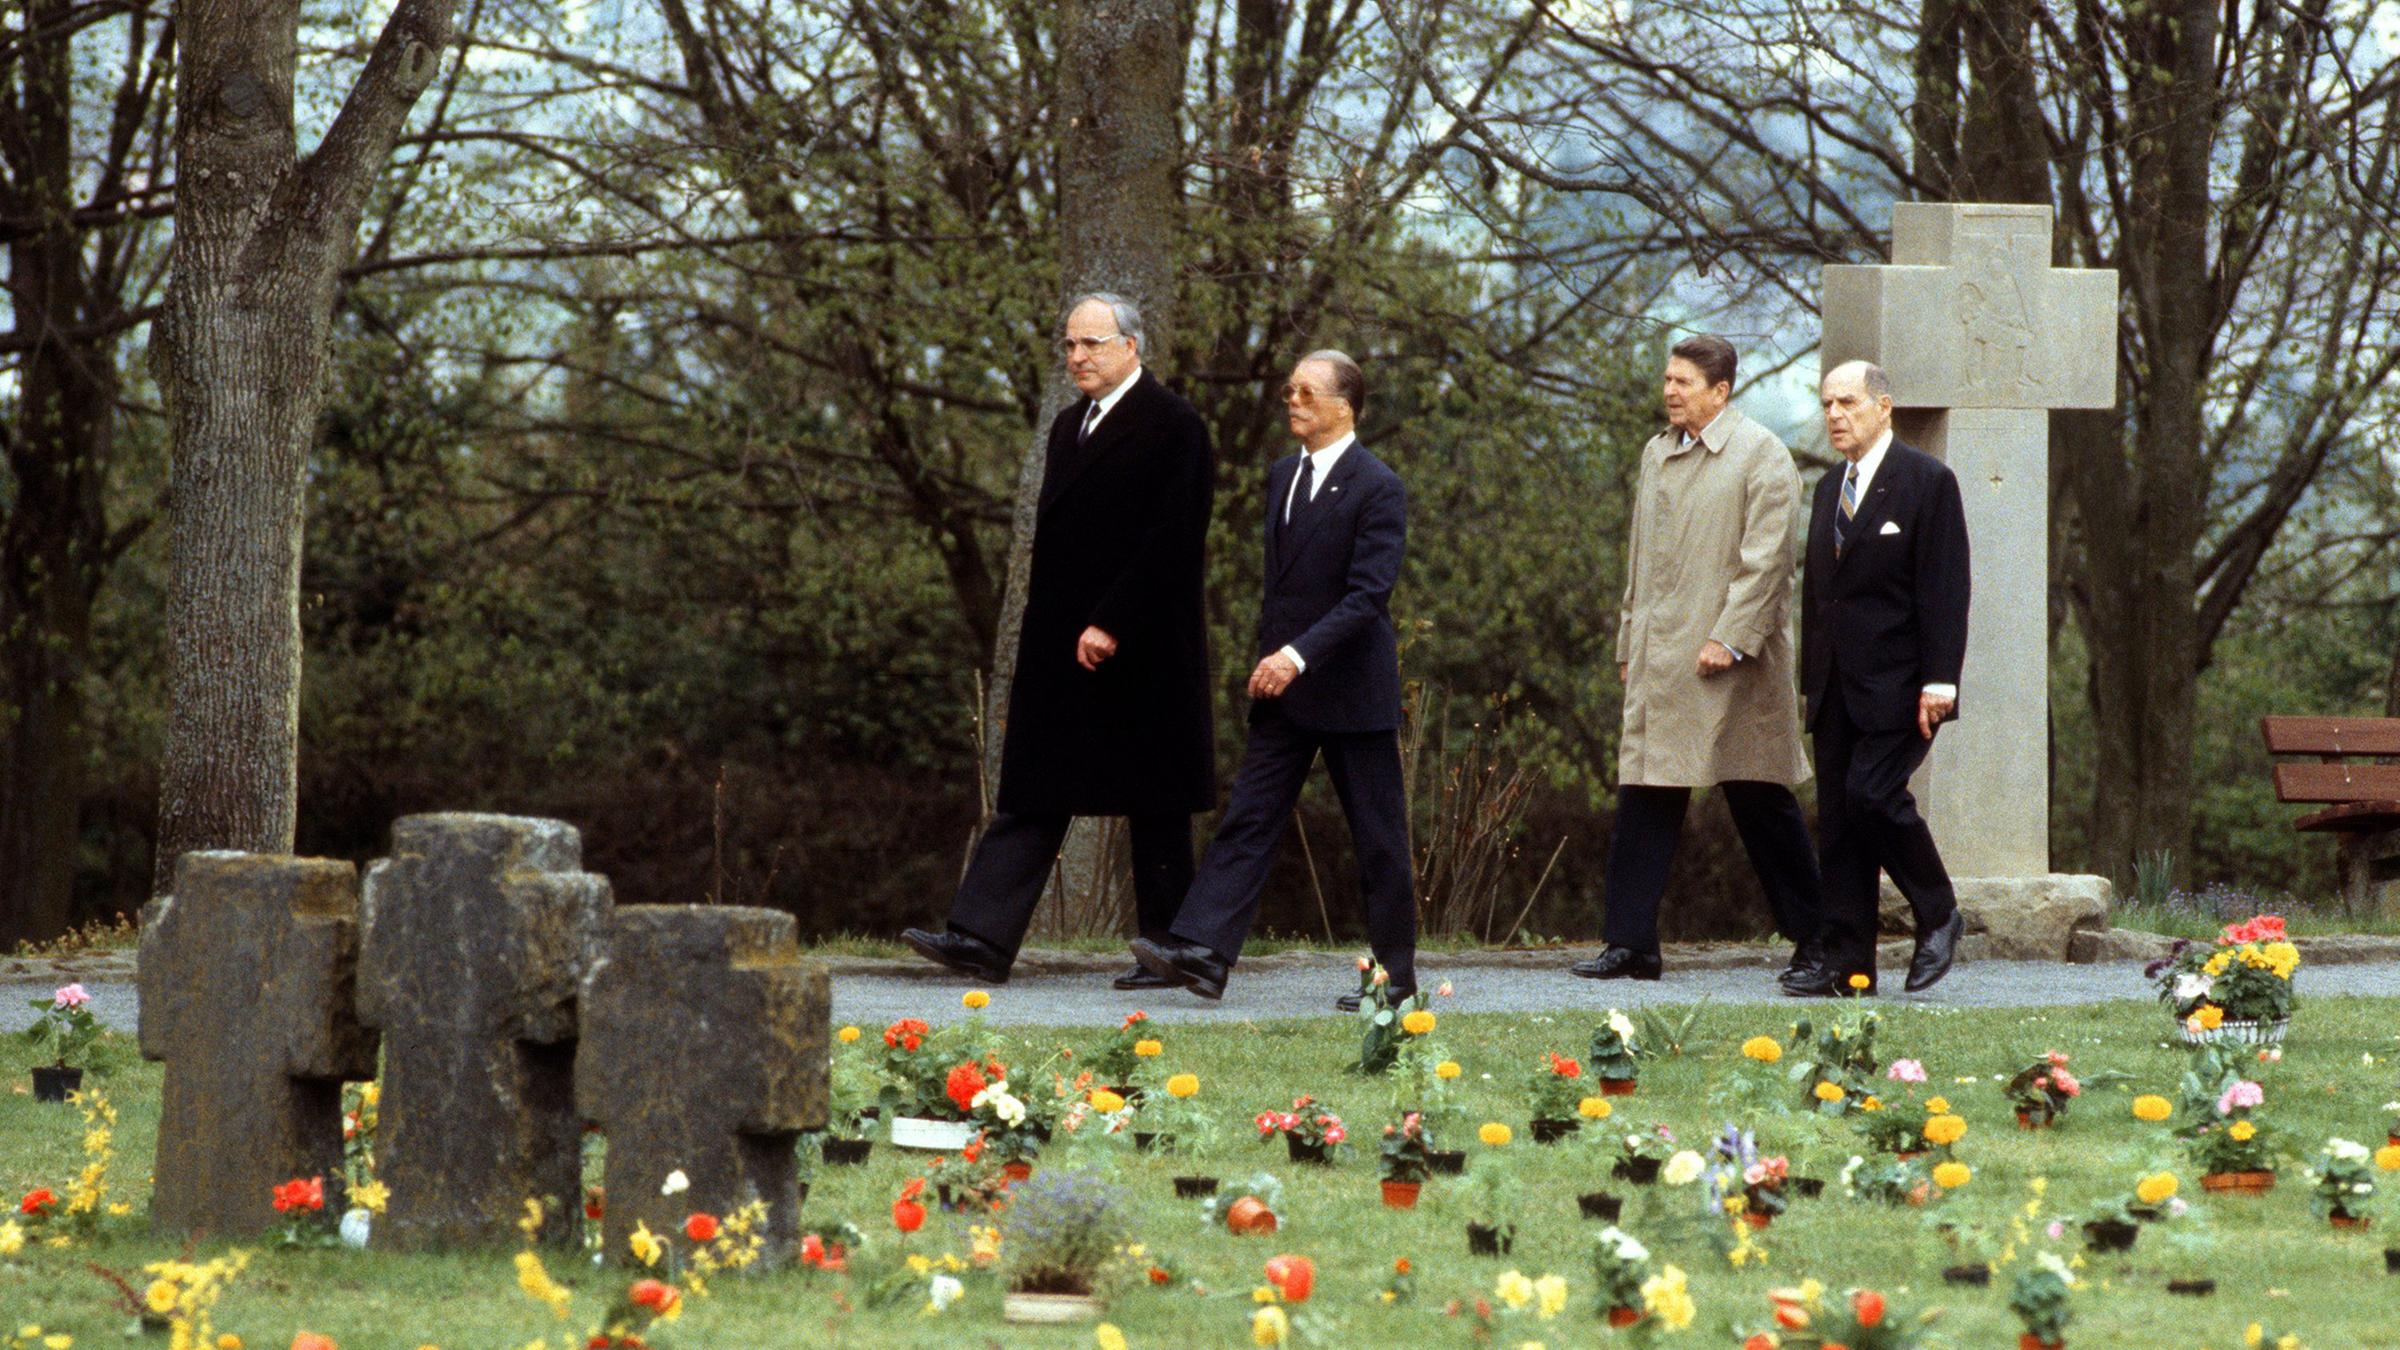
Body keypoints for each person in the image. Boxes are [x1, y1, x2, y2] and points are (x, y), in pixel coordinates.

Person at [902, 293, 1215, 988]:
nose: (1076, 357)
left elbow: (1174, 539)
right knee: (1037, 784)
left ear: (1132, 346)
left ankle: (1173, 949)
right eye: (1070, 345)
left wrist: (1113, 620)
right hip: (1064, 641)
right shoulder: (1070, 424)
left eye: (1091, 344)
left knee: (1155, 797)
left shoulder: (1175, 425)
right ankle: (980, 935)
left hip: (1143, 642)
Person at [1130, 350, 1415, 1009]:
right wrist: (1273, 660)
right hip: (1284, 689)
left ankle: (1394, 979)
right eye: (1290, 391)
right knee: (1249, 819)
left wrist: (1295, 656)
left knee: (1378, 838)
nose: (1292, 401)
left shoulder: (1379, 486)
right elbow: (1282, 588)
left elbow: (1367, 596)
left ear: (1343, 407)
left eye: (1307, 394)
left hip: (1348, 687)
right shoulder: (1283, 474)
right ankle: (1203, 951)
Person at [1572, 335, 1827, 992]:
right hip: (1663, 660)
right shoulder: (1657, 454)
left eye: (1684, 381)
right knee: (1644, 795)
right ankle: (1630, 945)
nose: (1670, 391)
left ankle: (1820, 944)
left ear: (1722, 391)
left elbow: (1768, 564)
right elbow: (1641, 563)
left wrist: (1730, 638)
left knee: (1760, 798)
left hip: (1731, 664)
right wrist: (1631, 644)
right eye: (1668, 379)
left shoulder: (1761, 456)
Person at [1790, 359, 1970, 997]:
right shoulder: (1826, 489)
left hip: (1901, 685)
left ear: (1884, 405)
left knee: (1873, 796)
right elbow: (1819, 597)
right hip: (1834, 688)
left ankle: (1940, 911)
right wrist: (1811, 683)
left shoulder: (1927, 482)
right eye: (1827, 404)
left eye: (1848, 403)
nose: (1835, 415)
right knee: (1839, 822)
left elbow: (1945, 587)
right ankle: (1849, 967)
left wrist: (1941, 680)